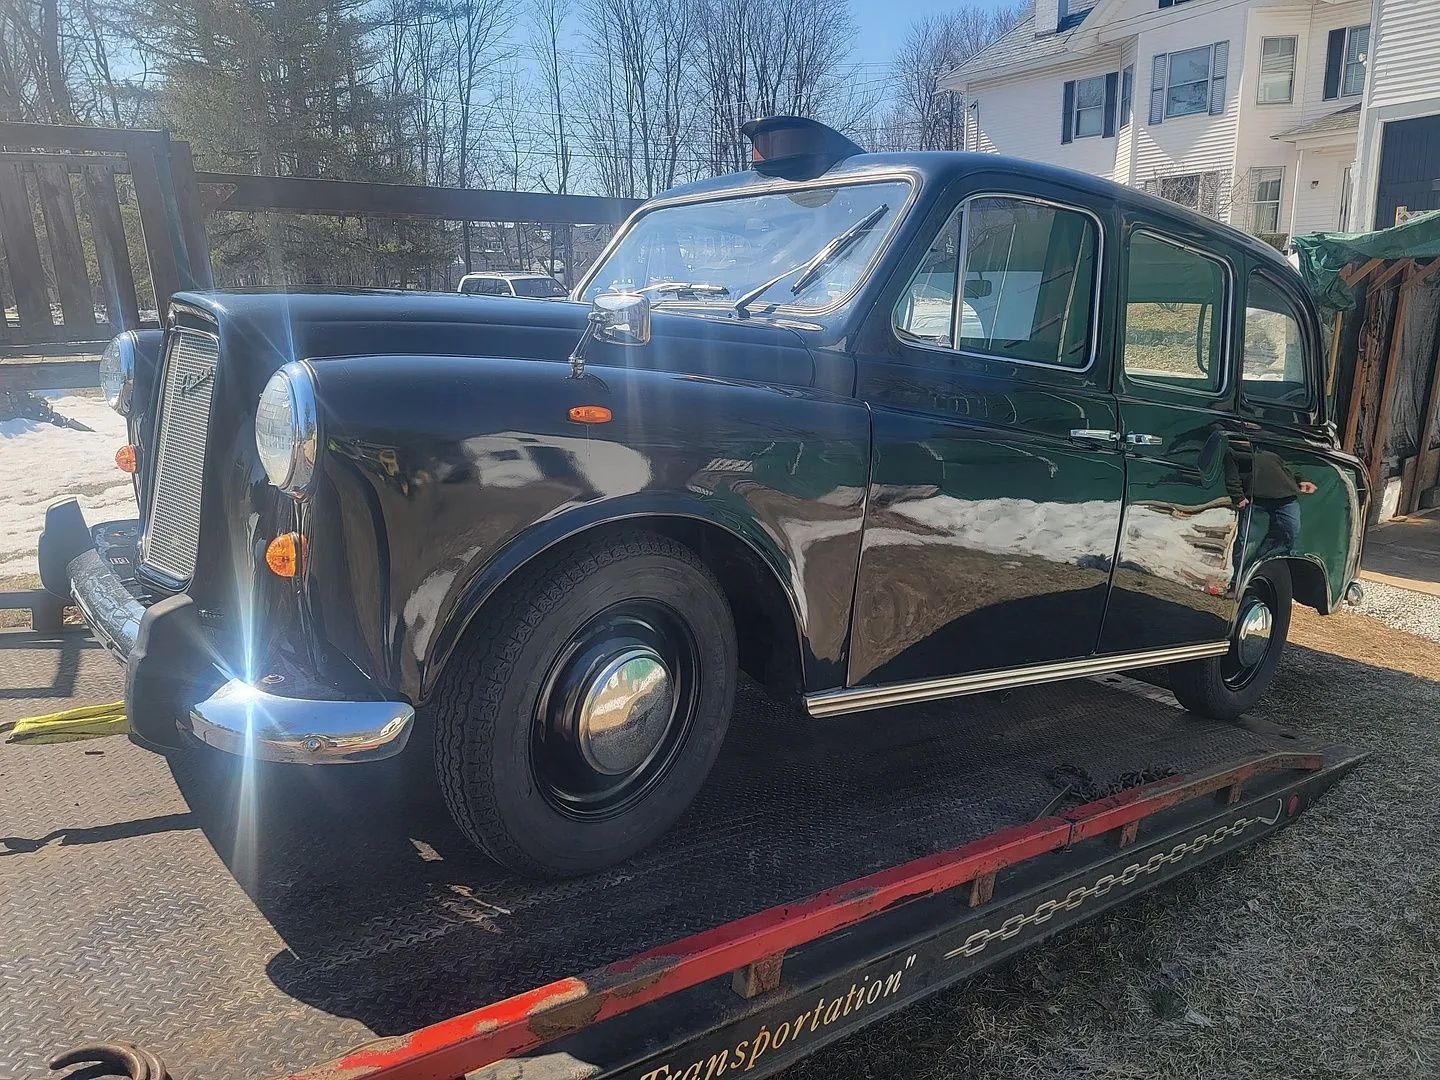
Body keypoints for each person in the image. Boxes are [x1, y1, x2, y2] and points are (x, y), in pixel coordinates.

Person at [1240, 449, 1317, 555]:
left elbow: (1288, 463)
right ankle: (1242, 568)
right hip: (1253, 497)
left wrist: (1299, 479)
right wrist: (1237, 495)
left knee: (1291, 532)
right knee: (1246, 539)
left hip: (1285, 496)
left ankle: (1263, 561)